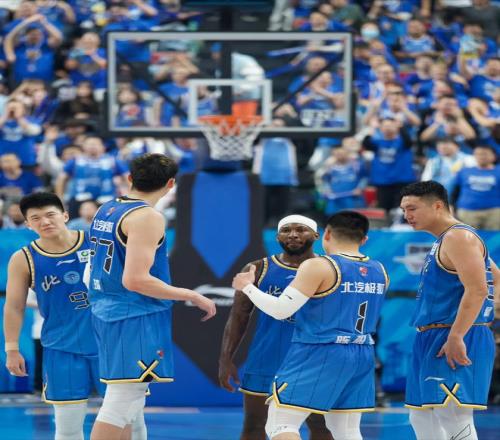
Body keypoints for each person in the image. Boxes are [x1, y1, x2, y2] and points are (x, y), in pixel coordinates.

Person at [88, 153, 216, 440]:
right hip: (133, 314)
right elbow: (135, 280)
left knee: (130, 402)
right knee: (121, 403)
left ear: (130, 178)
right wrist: (190, 295)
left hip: (106, 309)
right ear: (170, 184)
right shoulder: (146, 217)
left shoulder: (106, 208)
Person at [232, 211, 389, 440]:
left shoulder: (318, 266)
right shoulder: (380, 270)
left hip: (320, 350)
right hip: (362, 352)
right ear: (364, 239)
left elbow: (281, 310)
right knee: (346, 430)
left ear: (327, 234)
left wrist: (247, 287)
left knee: (280, 424)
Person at [399, 181, 498, 440]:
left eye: (412, 208)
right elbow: (496, 280)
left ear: (437, 206)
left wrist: (461, 332)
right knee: (421, 416)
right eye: (404, 210)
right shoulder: (446, 239)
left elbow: (478, 289)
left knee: (453, 415)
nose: (406, 215)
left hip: (454, 334)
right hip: (434, 335)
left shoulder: (459, 237)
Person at [219, 215, 332, 440]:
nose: (293, 235)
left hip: (311, 360)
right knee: (254, 425)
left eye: (300, 230)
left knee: (321, 426)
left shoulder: (330, 269)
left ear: (316, 235)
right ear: (277, 236)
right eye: (286, 230)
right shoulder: (257, 268)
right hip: (266, 358)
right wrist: (225, 358)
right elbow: (239, 316)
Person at [3, 192, 104, 440]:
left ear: (65, 216)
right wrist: (12, 349)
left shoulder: (97, 243)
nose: (45, 222)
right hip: (62, 348)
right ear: (28, 224)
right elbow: (14, 306)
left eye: (50, 215)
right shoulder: (23, 258)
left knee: (130, 420)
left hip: (109, 344)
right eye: (35, 218)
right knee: (68, 428)